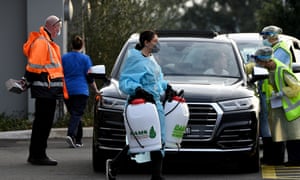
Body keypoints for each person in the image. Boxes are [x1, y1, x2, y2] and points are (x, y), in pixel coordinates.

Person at [105, 30, 176, 180]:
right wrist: (138, 90)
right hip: (143, 105)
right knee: (141, 139)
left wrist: (167, 87)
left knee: (159, 139)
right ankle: (114, 164)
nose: (158, 44)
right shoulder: (136, 60)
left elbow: (157, 80)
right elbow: (126, 82)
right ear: (146, 42)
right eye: (155, 41)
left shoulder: (151, 59)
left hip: (155, 104)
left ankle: (156, 175)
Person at [22, 15, 67, 166]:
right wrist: (26, 80)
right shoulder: (42, 42)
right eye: (58, 28)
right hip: (45, 91)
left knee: (41, 123)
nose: (59, 31)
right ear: (53, 27)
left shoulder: (46, 42)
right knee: (43, 124)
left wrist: (26, 81)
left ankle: (36, 154)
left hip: (47, 91)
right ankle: (38, 155)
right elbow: (34, 67)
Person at [247, 47, 300, 166]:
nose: (259, 65)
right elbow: (250, 68)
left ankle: (295, 160)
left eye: (260, 62)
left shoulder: (281, 69)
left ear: (266, 61)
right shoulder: (269, 69)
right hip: (281, 107)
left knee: (293, 136)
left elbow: (296, 87)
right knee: (279, 133)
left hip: (293, 108)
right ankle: (278, 160)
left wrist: (281, 93)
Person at [258, 25, 292, 165]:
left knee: (276, 127)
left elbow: (270, 65)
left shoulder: (281, 50)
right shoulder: (274, 49)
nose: (264, 39)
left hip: (278, 94)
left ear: (273, 36)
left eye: (265, 36)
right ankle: (269, 156)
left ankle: (275, 158)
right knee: (268, 126)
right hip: (269, 93)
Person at [62, 35, 100, 148]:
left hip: (67, 90)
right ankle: (70, 134)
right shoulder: (85, 59)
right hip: (81, 91)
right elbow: (90, 77)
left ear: (71, 45)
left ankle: (78, 140)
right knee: (77, 114)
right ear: (82, 46)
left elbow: (59, 73)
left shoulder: (64, 58)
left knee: (75, 114)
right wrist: (96, 90)